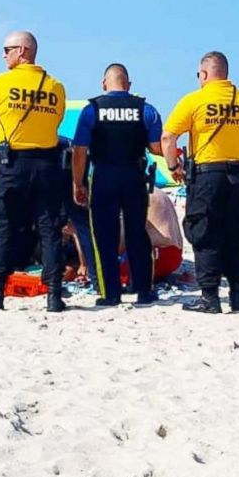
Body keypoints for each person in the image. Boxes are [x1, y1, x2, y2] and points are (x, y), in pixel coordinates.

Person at [162, 51, 239, 314]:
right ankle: (237, 295)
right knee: (234, 234)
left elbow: (168, 137)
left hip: (207, 175)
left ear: (205, 74)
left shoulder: (195, 100)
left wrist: (173, 166)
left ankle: (209, 297)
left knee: (204, 231)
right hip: (237, 175)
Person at [0, 30, 67, 312]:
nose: (3, 54)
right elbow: (56, 123)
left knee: (4, 225)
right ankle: (54, 296)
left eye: (7, 49)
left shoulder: (0, 82)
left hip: (13, 163)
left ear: (23, 51)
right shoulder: (56, 86)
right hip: (47, 164)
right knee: (49, 229)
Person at [72, 63, 164, 307]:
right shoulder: (145, 109)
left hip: (103, 176)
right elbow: (157, 147)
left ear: (104, 83)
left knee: (104, 236)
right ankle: (144, 290)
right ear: (129, 84)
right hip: (134, 176)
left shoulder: (92, 110)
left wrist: (78, 183)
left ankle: (110, 293)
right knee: (137, 233)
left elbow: (79, 151)